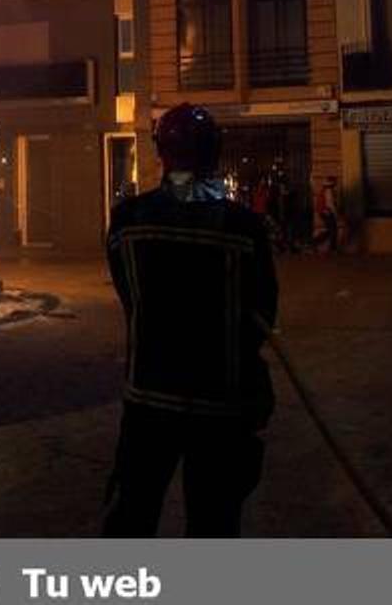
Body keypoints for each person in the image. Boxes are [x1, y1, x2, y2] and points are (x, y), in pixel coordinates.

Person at [103, 102, 278, 537]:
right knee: (213, 525)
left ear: (161, 152)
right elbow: (263, 312)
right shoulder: (244, 227)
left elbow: (130, 298)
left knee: (132, 518)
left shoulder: (127, 220)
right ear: (213, 154)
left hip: (147, 399)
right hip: (219, 404)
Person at [313, 175, 339, 254]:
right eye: (335, 182)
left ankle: (316, 242)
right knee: (333, 230)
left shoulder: (324, 189)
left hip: (323, 212)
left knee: (330, 229)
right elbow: (330, 204)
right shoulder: (329, 190)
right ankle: (332, 248)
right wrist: (335, 214)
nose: (336, 184)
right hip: (327, 212)